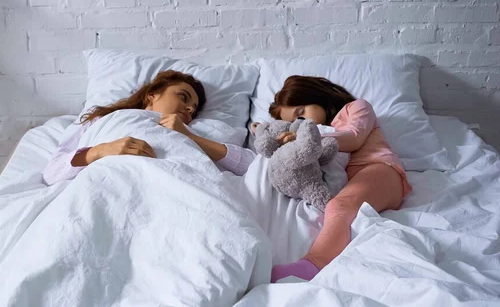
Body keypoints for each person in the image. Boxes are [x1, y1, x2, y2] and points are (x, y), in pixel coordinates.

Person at [267, 75, 412, 283]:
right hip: (347, 181)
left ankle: (313, 265)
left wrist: (307, 138)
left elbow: (355, 137)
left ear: (317, 96)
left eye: (301, 114)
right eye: (293, 123)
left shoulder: (356, 108)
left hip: (381, 170)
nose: (301, 123)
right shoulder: (320, 133)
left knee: (339, 206)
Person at [42, 70, 255, 185]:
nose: (189, 108)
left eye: (194, 108)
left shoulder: (200, 131)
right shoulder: (104, 120)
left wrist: (189, 136)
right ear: (152, 94)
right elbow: (52, 173)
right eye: (183, 97)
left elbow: (253, 167)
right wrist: (101, 150)